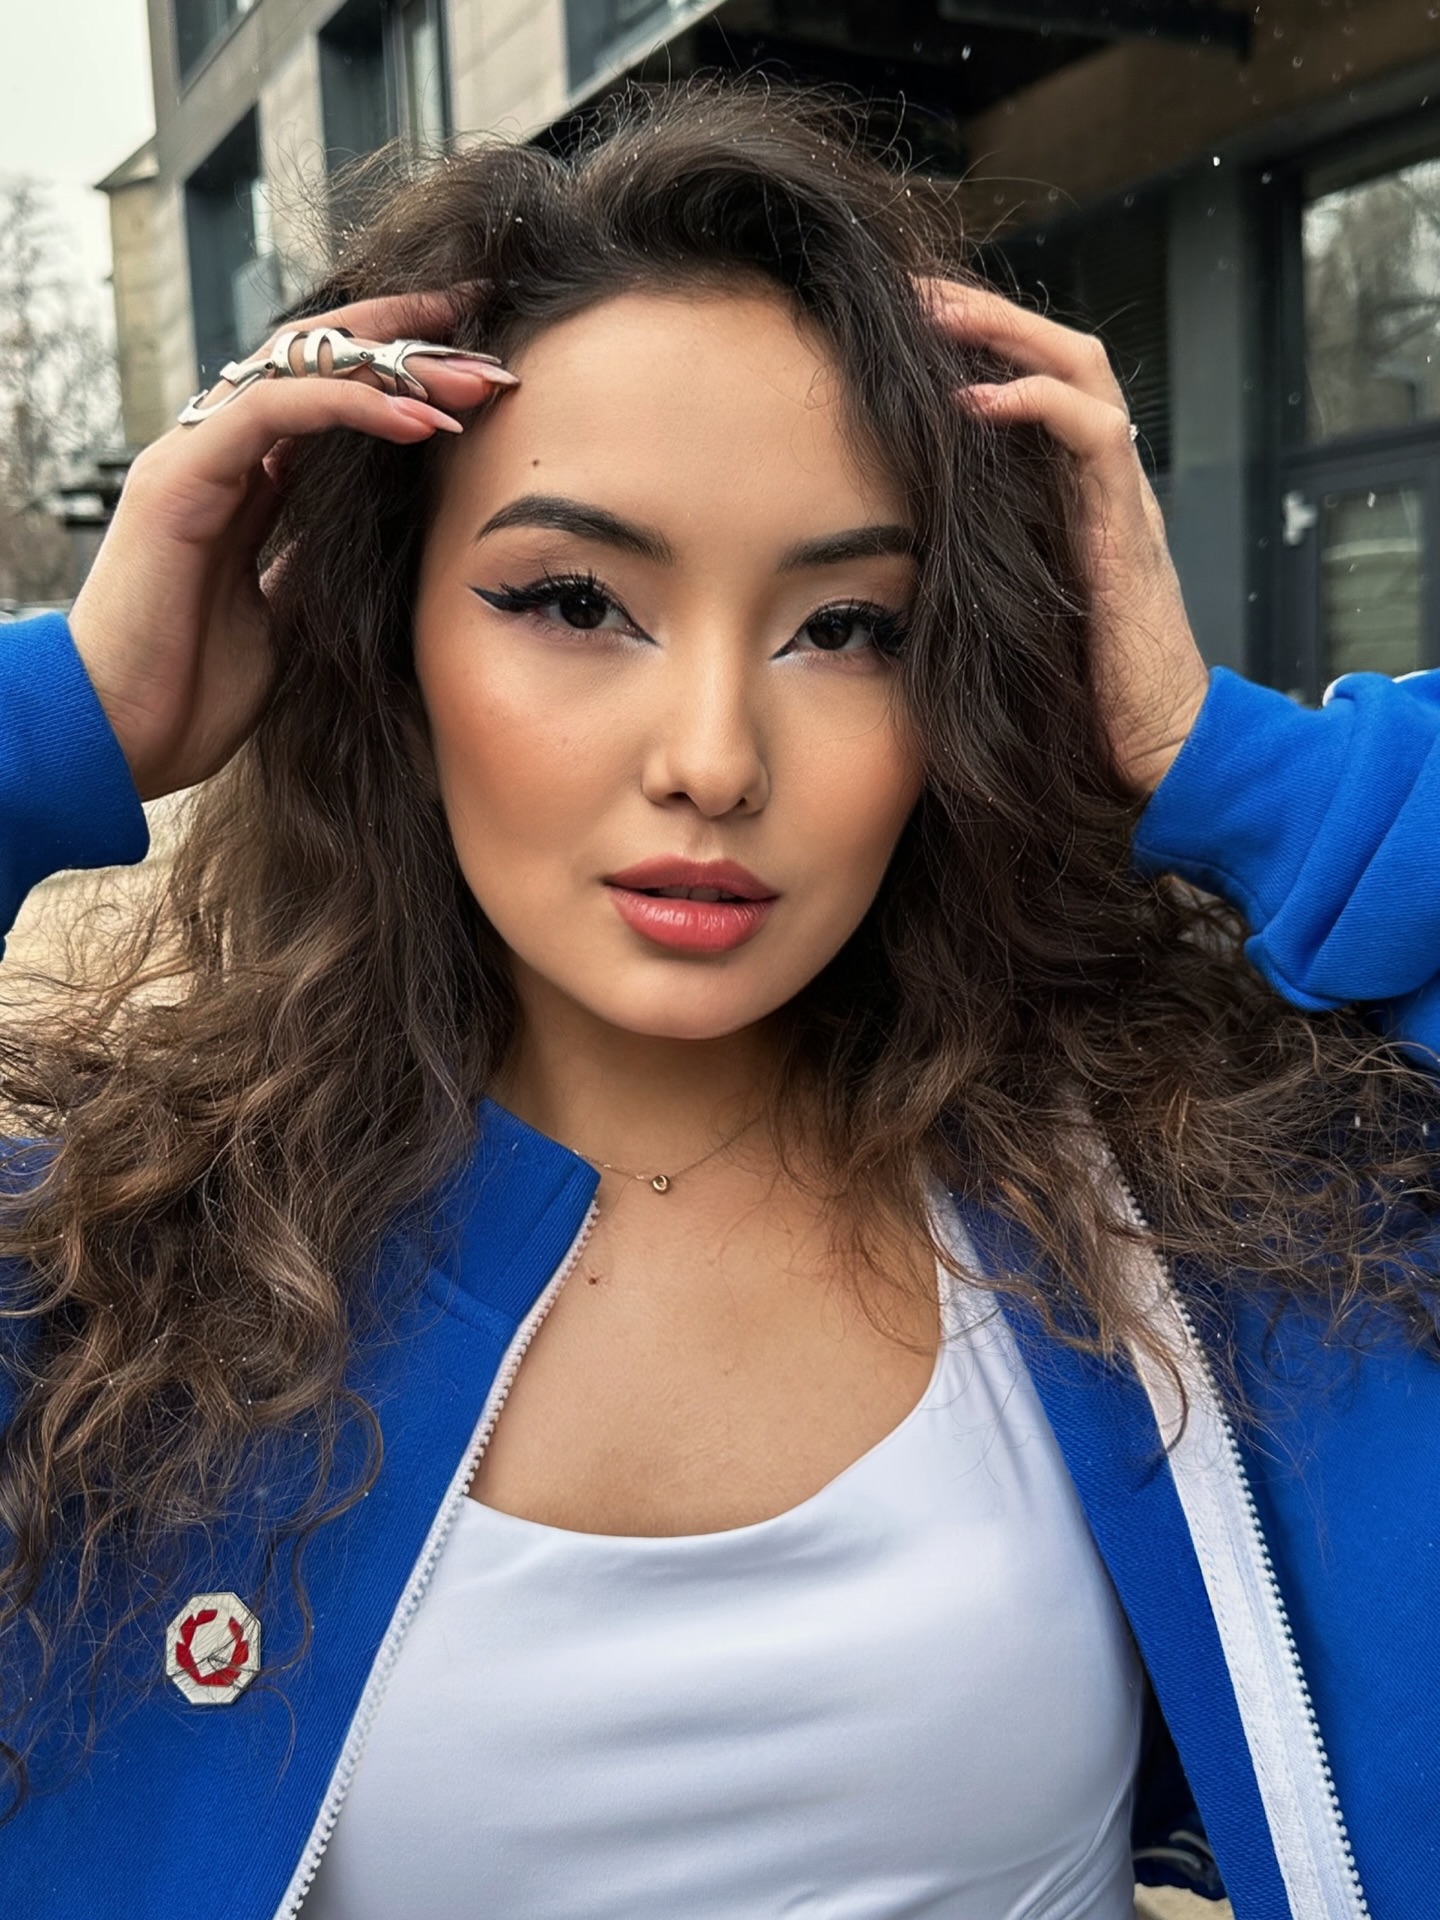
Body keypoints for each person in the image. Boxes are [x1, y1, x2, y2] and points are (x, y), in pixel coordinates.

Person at [0, 80, 1436, 1920]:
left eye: (848, 628)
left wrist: (1223, 758)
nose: (714, 758)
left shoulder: (1198, 1219)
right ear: (384, 636)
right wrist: (70, 717)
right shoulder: (113, 1288)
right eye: (573, 599)